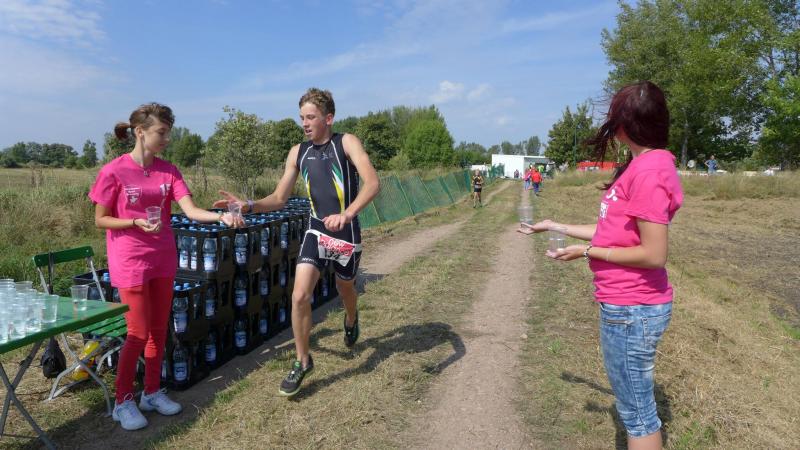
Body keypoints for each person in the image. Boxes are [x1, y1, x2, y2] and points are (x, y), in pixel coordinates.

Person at [519, 81, 682, 450]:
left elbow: (653, 253)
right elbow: (615, 232)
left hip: (632, 309)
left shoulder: (648, 172)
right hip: (629, 306)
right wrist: (556, 225)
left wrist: (589, 252)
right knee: (635, 407)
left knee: (638, 416)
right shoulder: (646, 165)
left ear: (623, 125)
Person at [214, 88, 380, 397]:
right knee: (300, 295)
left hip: (345, 233)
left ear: (328, 118)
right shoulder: (298, 152)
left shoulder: (346, 142)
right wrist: (247, 205)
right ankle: (303, 361)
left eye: (311, 117)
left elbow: (372, 183)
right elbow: (279, 198)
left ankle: (351, 318)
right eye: (302, 117)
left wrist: (347, 214)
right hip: (316, 230)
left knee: (346, 288)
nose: (304, 123)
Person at [89, 103, 239, 431]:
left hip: (163, 259)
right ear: (140, 132)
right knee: (137, 333)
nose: (167, 139)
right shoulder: (113, 171)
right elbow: (101, 220)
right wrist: (134, 221)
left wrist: (221, 217)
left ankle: (152, 392)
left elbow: (191, 210)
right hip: (130, 260)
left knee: (159, 330)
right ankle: (123, 401)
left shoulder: (169, 171)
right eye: (162, 132)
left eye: (168, 132)